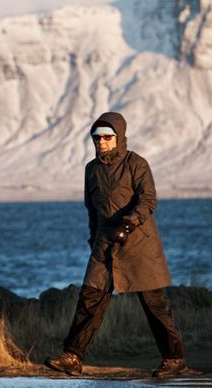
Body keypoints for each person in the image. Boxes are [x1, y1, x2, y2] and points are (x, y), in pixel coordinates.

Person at [44, 112, 186, 378]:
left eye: (107, 137)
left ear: (119, 137)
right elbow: (91, 209)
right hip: (103, 244)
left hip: (138, 243)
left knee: (154, 304)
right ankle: (73, 357)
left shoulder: (136, 163)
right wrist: (93, 237)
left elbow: (148, 200)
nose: (101, 141)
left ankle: (174, 358)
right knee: (90, 299)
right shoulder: (91, 169)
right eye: (96, 137)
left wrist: (129, 224)